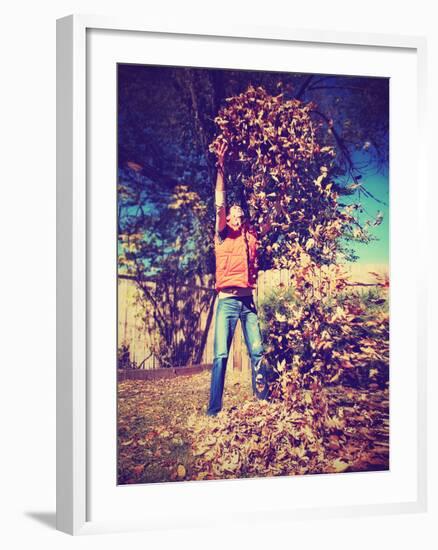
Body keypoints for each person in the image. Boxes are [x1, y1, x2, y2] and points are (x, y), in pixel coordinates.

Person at [207, 140, 270, 416]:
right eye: (231, 215)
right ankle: (214, 410)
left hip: (248, 304)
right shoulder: (222, 233)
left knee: (257, 352)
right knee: (221, 356)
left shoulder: (251, 235)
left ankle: (263, 403)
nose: (234, 218)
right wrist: (221, 165)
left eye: (239, 215)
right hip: (227, 303)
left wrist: (280, 188)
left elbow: (272, 217)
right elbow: (219, 201)